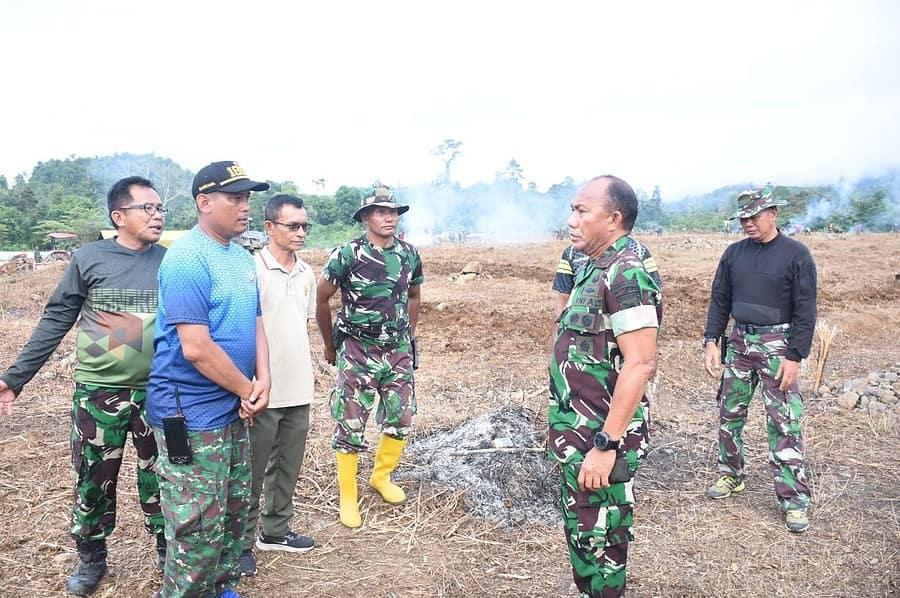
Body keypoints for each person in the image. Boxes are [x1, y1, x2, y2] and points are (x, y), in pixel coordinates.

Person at [0, 177, 167, 595]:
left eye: (160, 207)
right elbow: (57, 319)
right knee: (94, 477)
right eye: (146, 207)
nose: (158, 214)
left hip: (159, 394)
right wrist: (13, 379)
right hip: (99, 394)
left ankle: (169, 549)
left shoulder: (171, 262)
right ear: (119, 216)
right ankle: (91, 557)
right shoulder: (90, 258)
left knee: (164, 476)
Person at [146, 161, 271, 598]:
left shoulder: (240, 258)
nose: (245, 207)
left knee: (234, 515)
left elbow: (255, 322)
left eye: (247, 198)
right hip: (191, 412)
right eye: (234, 198)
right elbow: (195, 347)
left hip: (233, 408)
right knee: (197, 526)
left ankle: (221, 589)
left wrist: (263, 381)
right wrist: (246, 388)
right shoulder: (186, 259)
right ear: (203, 203)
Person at [548, 175, 661, 597]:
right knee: (583, 536)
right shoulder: (592, 265)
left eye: (582, 211)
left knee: (602, 543)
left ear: (613, 218)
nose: (571, 220)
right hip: (577, 433)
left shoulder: (625, 273)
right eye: (572, 210)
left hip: (600, 438)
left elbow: (641, 361)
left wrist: (605, 444)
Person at [703, 186, 817, 533]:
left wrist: (795, 355)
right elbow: (720, 299)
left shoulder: (796, 255)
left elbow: (806, 310)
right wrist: (712, 341)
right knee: (729, 413)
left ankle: (794, 500)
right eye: (743, 218)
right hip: (739, 342)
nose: (748, 223)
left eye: (754, 216)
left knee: (783, 421)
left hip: (777, 346)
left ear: (773, 214)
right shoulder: (734, 254)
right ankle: (730, 474)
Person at [316, 183, 424, 529]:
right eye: (381, 212)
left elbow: (415, 296)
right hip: (358, 349)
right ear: (365, 217)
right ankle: (348, 497)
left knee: (402, 416)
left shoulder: (409, 254)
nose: (389, 217)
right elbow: (322, 299)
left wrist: (408, 335)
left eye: (393, 212)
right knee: (350, 422)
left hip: (397, 351)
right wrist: (330, 346)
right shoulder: (347, 254)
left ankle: (381, 477)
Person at [239, 194, 317, 577]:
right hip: (260, 391)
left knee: (287, 467)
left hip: (298, 387)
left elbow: (300, 326)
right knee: (250, 472)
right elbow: (242, 332)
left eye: (305, 226)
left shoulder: (307, 273)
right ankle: (239, 543)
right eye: (293, 226)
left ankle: (276, 530)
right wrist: (247, 383)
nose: (300, 233)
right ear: (269, 227)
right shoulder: (250, 270)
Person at [552, 241, 662, 321]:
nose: (572, 222)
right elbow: (561, 303)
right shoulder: (572, 253)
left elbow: (653, 302)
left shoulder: (638, 250)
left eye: (582, 212)